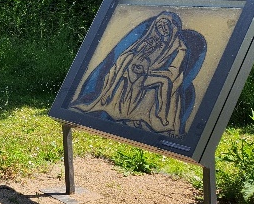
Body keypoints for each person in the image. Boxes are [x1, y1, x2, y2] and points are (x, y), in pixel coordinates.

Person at [71, 11, 206, 136]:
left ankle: (162, 118)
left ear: (174, 28)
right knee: (123, 68)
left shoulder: (180, 48)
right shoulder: (151, 40)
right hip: (138, 71)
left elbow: (173, 72)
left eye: (166, 26)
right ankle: (111, 101)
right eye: (160, 26)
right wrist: (139, 57)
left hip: (157, 76)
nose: (162, 30)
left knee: (163, 82)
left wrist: (150, 71)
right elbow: (130, 54)